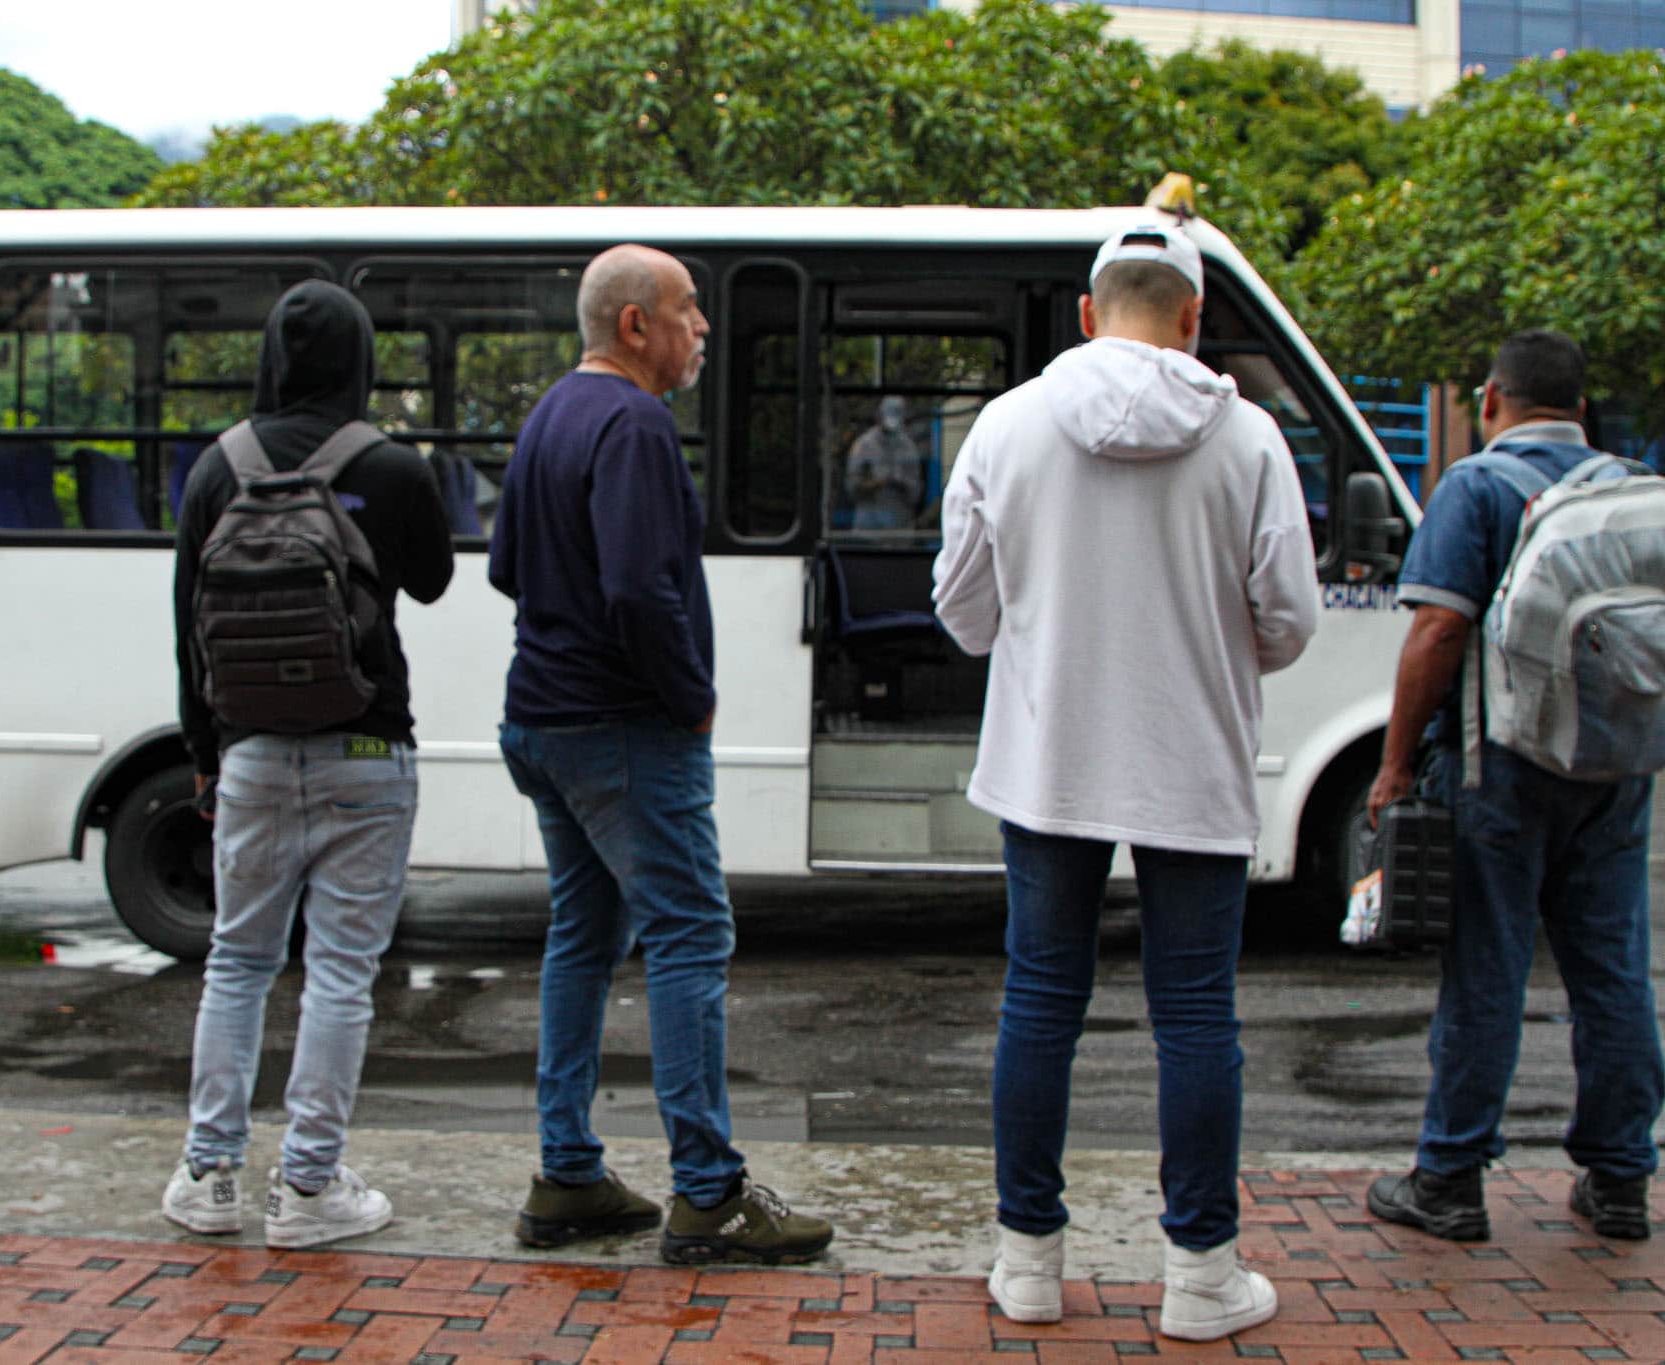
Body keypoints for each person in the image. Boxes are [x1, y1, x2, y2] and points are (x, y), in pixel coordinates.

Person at [932, 223, 1318, 1341]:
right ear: (1194, 318)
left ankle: (1027, 1263)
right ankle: (1200, 1276)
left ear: (1087, 312)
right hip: (1192, 761)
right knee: (1195, 1016)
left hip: (1046, 760)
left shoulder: (1006, 425)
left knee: (1039, 1004)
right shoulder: (1249, 440)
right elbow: (1289, 620)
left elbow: (962, 614)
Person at [489, 243, 833, 1266]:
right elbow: (639, 591)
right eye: (688, 309)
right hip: (624, 727)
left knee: (583, 934)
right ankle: (709, 1194)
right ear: (634, 324)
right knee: (689, 934)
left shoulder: (551, 413)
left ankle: (567, 1173)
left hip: (541, 718)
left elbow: (507, 568)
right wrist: (692, 699)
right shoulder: (634, 422)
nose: (703, 328)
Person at [162, 280, 453, 1249]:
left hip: (247, 752)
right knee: (338, 973)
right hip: (368, 747)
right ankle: (308, 1189)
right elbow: (433, 581)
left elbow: (186, 629)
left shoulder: (218, 467)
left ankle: (209, 1177)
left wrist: (204, 755)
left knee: (238, 960)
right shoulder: (391, 466)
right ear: (360, 358)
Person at [1364, 330, 1662, 1244]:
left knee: (1487, 968)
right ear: (1582, 409)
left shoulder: (1477, 487)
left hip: (1499, 769)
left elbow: (1436, 633)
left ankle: (1450, 1178)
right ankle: (1621, 1178)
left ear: (1490, 399)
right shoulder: (1631, 489)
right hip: (1615, 768)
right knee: (1612, 969)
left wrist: (1395, 763)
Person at [844, 395, 924, 529]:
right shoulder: (863, 445)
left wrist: (900, 482)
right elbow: (852, 488)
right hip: (868, 528)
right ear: (879, 417)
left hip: (899, 528)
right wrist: (876, 483)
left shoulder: (909, 447)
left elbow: (916, 492)